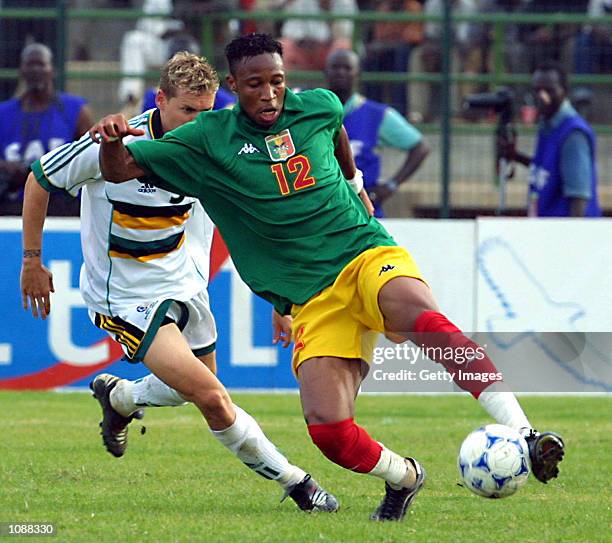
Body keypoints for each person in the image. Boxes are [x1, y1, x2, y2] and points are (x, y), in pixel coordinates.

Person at [91, 34, 565, 522]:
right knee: (329, 432)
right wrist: (111, 140)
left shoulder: (318, 105)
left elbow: (335, 127)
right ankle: (404, 477)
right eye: (255, 85)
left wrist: (354, 182)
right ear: (234, 86)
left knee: (424, 319)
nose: (270, 94)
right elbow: (122, 170)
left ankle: (527, 436)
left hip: (362, 254)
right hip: (311, 300)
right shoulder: (208, 137)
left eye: (277, 80)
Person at [20, 51, 338, 514]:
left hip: (184, 282)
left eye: (206, 112)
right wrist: (32, 260)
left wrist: (279, 297)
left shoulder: (212, 142)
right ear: (160, 99)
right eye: (187, 110)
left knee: (199, 384)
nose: (196, 122)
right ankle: (299, 485)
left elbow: (251, 219)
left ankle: (121, 396)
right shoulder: (114, 142)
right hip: (125, 296)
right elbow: (39, 179)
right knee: (211, 396)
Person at [325, 49, 429, 218]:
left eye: (347, 68)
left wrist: (391, 185)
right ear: (326, 72)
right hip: (321, 210)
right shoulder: (313, 112)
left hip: (362, 212)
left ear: (358, 73)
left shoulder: (377, 115)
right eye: (335, 67)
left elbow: (420, 147)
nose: (341, 73)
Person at [0, 43, 92, 216]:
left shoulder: (75, 109)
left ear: (52, 70)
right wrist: (8, 169)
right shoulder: (3, 113)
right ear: (21, 70)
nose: (35, 70)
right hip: (15, 205)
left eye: (41, 64)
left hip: (62, 205)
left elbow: (93, 155)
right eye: (30, 64)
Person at [500, 61, 601, 217]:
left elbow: (579, 196)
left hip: (564, 233)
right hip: (547, 227)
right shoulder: (547, 124)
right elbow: (549, 170)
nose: (542, 96)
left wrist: (573, 238)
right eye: (537, 90)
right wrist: (517, 157)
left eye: (549, 90)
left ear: (564, 92)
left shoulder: (573, 134)